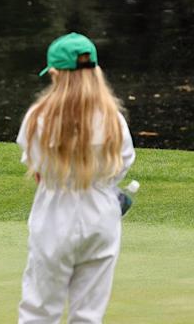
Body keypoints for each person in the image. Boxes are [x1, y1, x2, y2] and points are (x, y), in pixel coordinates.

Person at [17, 32, 136, 323]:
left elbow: (36, 167)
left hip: (54, 216)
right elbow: (123, 164)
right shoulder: (113, 118)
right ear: (95, 70)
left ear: (56, 74)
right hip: (102, 217)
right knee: (88, 314)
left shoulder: (39, 117)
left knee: (40, 310)